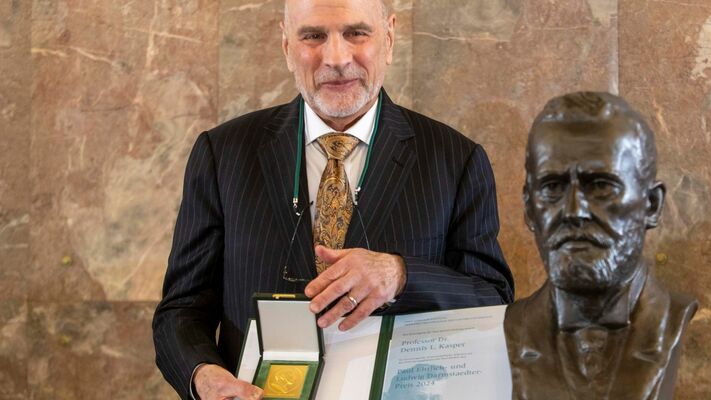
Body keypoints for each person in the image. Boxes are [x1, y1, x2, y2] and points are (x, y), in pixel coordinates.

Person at [152, 0, 514, 399]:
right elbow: (180, 310)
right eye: (313, 36)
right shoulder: (222, 154)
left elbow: (493, 300)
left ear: (389, 39)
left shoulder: (456, 159)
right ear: (287, 46)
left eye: (356, 33)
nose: (337, 58)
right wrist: (202, 376)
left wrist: (400, 275)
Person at [504, 92, 697, 400]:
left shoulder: (677, 322)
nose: (574, 211)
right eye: (552, 187)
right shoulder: (513, 329)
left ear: (651, 205)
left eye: (602, 186)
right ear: (529, 209)